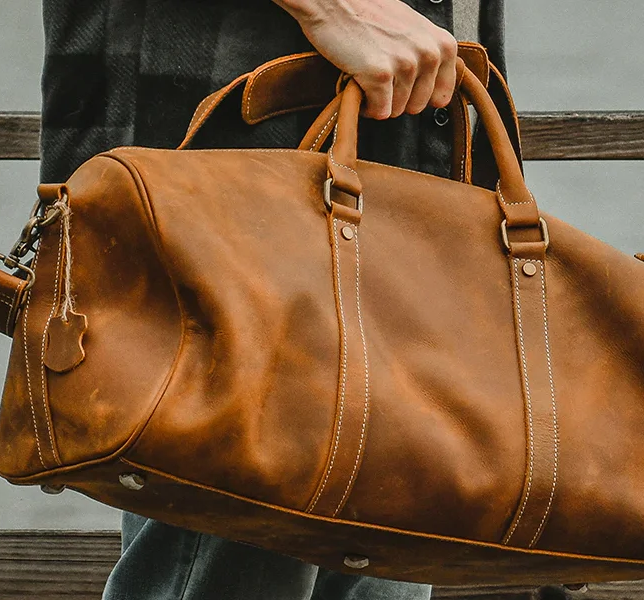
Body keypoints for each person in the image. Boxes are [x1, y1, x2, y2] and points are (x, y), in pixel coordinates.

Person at [38, 1, 506, 599]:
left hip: (417, 159)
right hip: (242, 155)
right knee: (231, 552)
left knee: (383, 552)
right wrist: (337, 7)